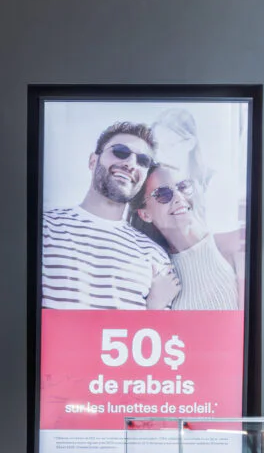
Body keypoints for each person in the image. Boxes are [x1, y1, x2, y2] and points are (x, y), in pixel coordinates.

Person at [41, 122, 174, 310]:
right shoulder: (44, 226)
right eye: (120, 151)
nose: (130, 164)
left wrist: (155, 307)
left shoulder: (154, 256)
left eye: (143, 161)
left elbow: (159, 333)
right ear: (92, 161)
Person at [133, 161, 245, 311]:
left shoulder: (235, 244)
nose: (179, 197)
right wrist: (154, 307)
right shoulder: (157, 275)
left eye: (182, 187)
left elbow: (251, 326)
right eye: (163, 194)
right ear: (145, 214)